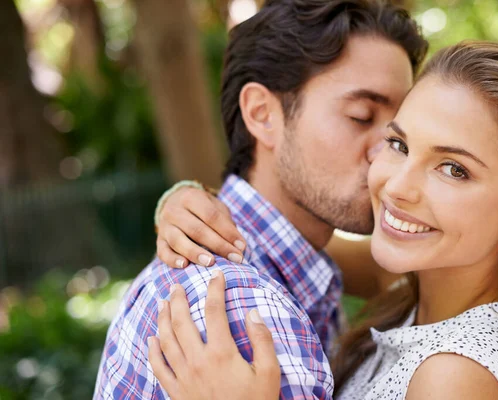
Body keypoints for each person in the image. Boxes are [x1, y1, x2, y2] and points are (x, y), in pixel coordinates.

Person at [148, 41, 498, 399]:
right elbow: (281, 240)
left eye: (453, 169)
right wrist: (187, 203)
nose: (398, 186)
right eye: (400, 145)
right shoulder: (417, 283)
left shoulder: (455, 379)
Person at [93, 0, 427, 399]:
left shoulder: (303, 271)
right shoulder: (240, 305)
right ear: (262, 114)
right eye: (360, 115)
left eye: (396, 135)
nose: (387, 154)